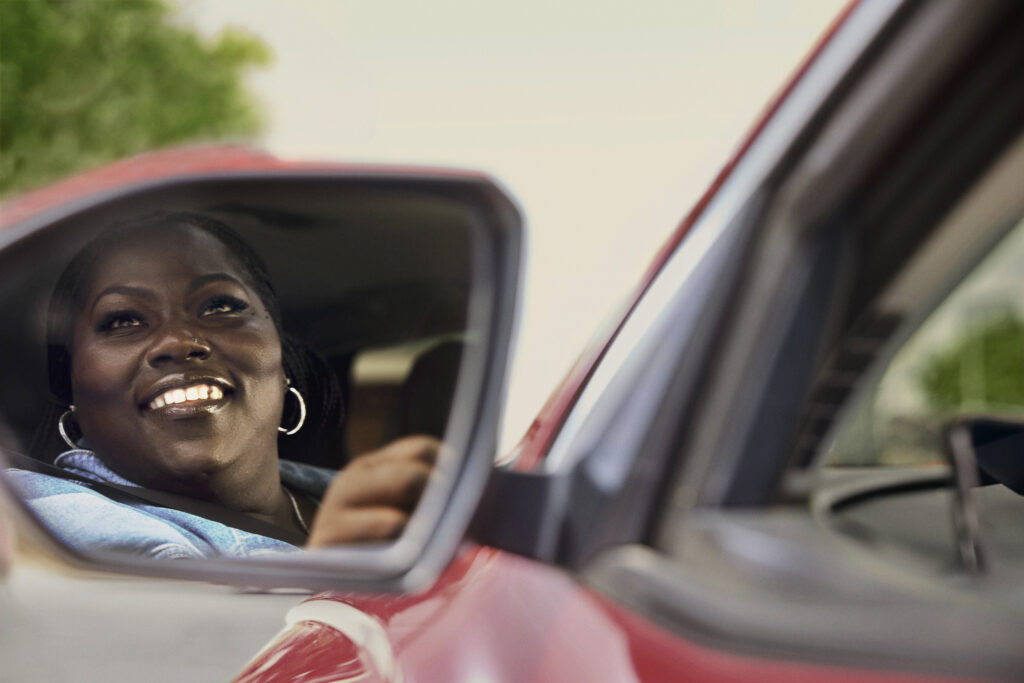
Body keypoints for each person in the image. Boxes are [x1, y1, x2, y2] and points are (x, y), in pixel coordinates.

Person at [6, 212, 437, 559]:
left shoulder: (355, 492)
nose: (178, 341)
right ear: (72, 389)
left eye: (219, 306)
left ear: (281, 358)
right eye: (123, 320)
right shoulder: (54, 520)